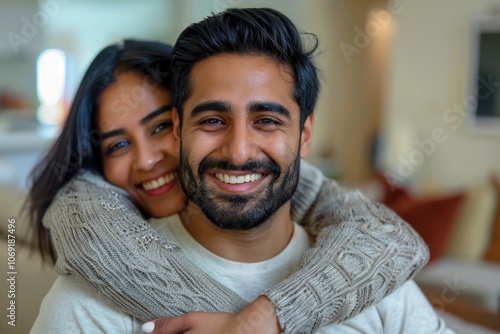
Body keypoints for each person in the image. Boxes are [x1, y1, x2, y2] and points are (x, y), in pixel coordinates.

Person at [29, 37, 428, 334]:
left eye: (161, 127)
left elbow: (392, 239)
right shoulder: (89, 251)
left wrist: (267, 317)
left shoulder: (367, 270)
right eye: (117, 144)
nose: (147, 159)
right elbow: (90, 232)